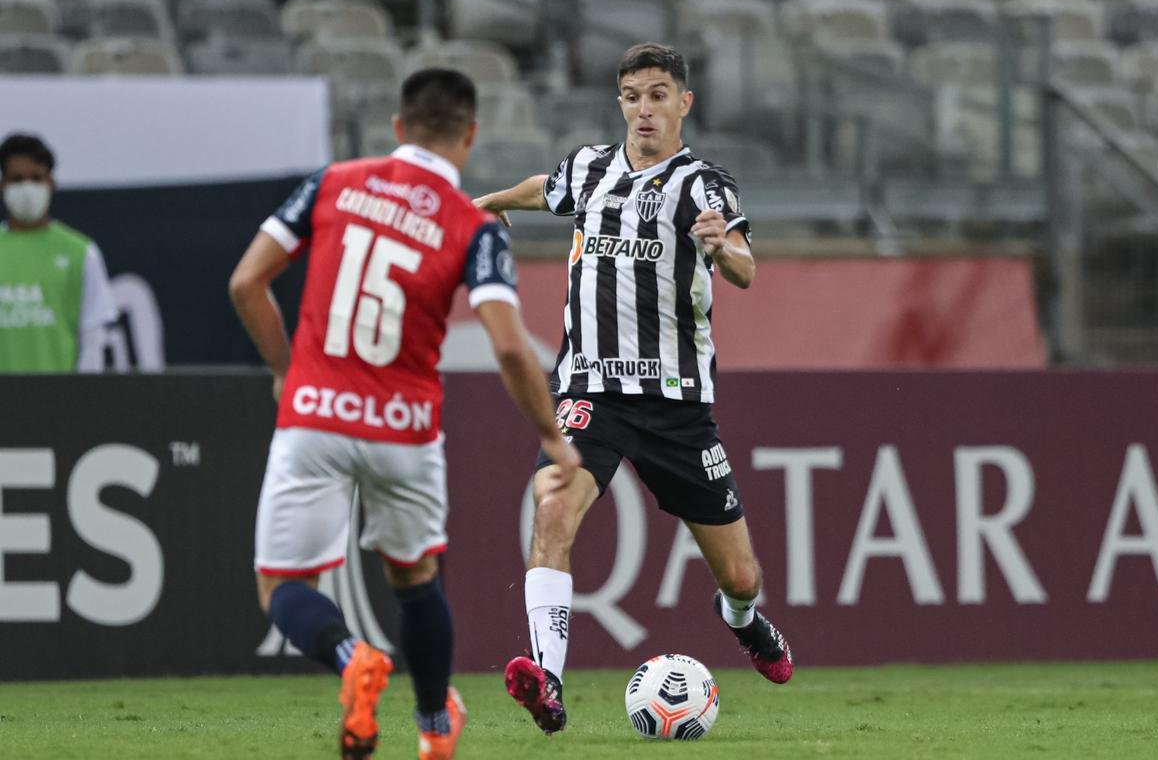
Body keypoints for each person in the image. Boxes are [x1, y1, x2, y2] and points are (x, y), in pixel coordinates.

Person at [229, 68, 580, 760]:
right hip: (404, 429)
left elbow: (247, 282)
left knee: (282, 585)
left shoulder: (332, 182)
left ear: (397, 127)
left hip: (315, 414)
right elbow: (510, 345)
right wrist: (551, 435)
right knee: (416, 583)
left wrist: (282, 370)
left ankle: (349, 657)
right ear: (470, 136)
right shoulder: (474, 225)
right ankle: (432, 727)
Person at [473, 42, 794, 735]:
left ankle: (741, 621)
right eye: (631, 96)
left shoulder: (701, 184)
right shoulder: (589, 169)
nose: (643, 109)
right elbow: (545, 188)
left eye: (656, 95)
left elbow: (743, 265)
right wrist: (490, 201)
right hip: (593, 392)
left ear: (684, 103)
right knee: (553, 508)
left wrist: (721, 249)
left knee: (740, 577)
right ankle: (547, 682)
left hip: (678, 407)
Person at [0, 133, 117, 372]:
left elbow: (92, 339)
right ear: (3, 184)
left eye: (36, 178)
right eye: (17, 179)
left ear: (51, 183)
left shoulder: (81, 252)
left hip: (58, 402)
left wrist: (80, 399)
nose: (27, 188)